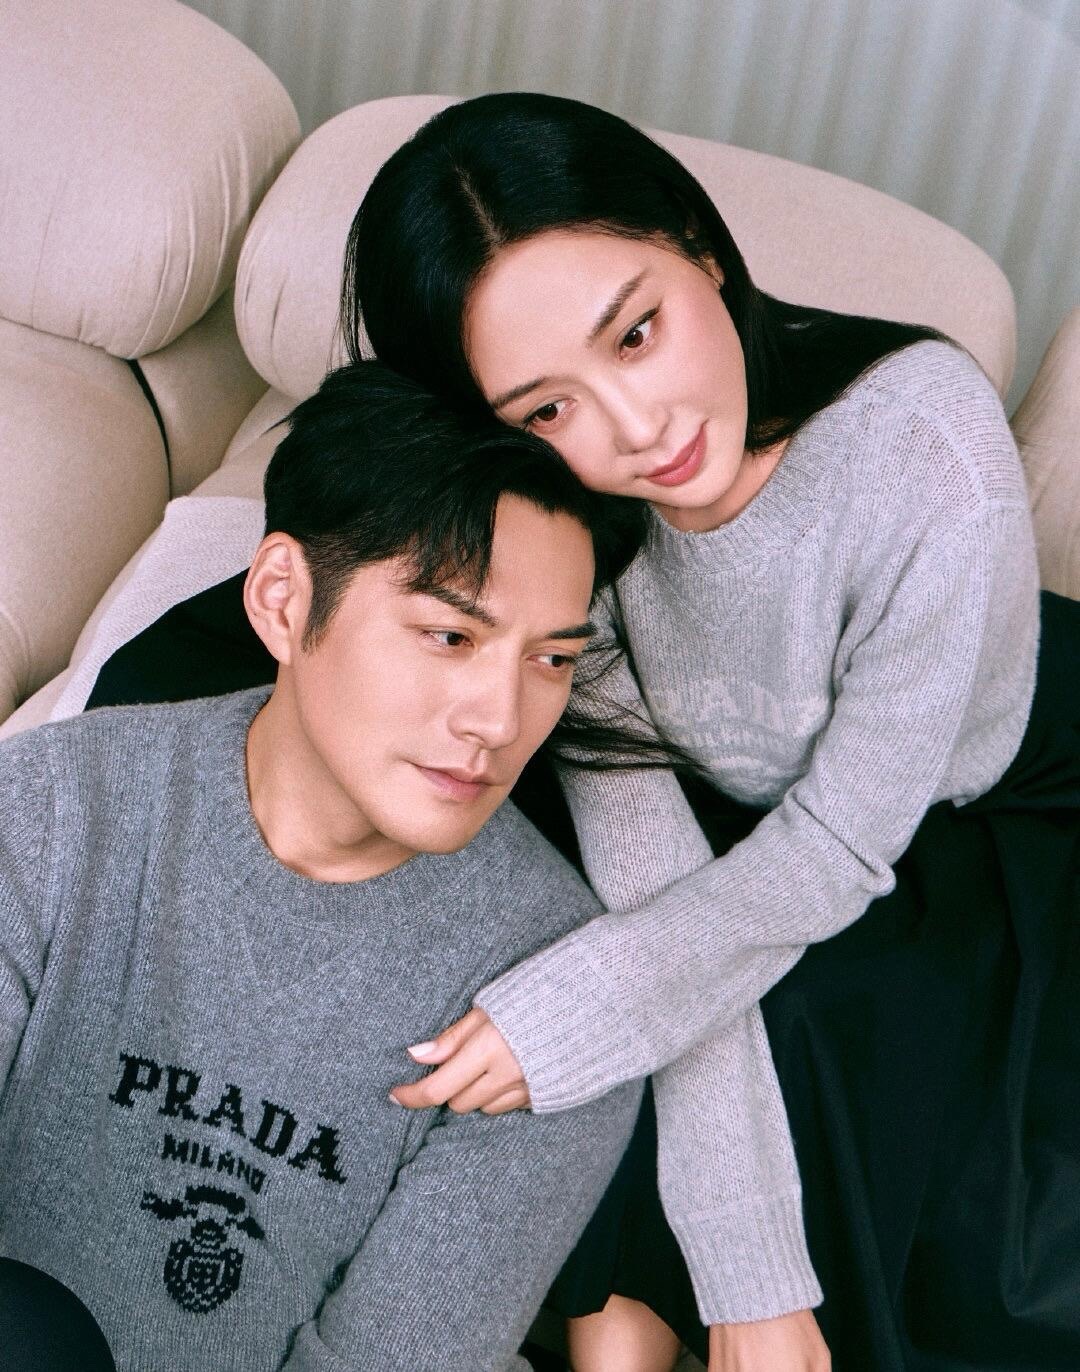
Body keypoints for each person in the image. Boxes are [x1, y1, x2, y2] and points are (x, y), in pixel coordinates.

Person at [77, 94, 1080, 1372]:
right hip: (693, 766)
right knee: (238, 728)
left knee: (791, 1021)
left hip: (942, 804)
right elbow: (637, 842)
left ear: (696, 244)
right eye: (547, 409)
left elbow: (833, 850)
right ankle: (616, 1317)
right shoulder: (568, 530)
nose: (639, 430)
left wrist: (743, 1262)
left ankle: (628, 1312)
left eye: (638, 332)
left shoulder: (930, 450)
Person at [0, 361, 646, 1371]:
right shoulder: (50, 805)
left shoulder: (554, 1002)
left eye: (551, 659)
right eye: (450, 634)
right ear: (282, 600)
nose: (500, 718)